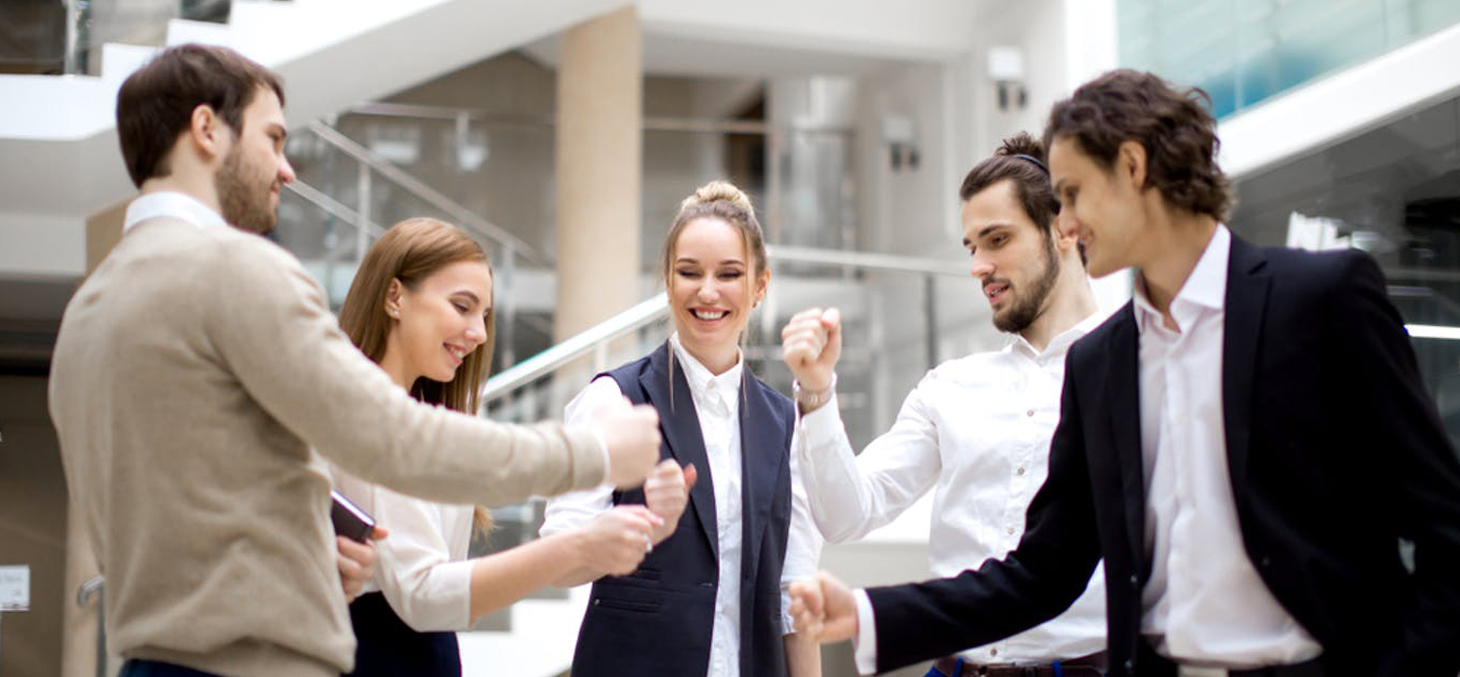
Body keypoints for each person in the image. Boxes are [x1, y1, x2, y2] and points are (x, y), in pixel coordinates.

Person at [789, 69, 1460, 677]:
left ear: (1134, 166)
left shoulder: (1321, 297)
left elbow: (1445, 524)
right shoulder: (1102, 363)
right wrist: (872, 614)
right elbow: (1042, 571)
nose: (1069, 222)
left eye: (1073, 193)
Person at [47, 44, 661, 677]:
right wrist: (593, 453)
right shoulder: (238, 269)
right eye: (274, 138)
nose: (285, 170)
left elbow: (179, 518)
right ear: (206, 130)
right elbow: (394, 438)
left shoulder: (88, 313)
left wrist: (307, 561)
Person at [779, 133, 1107, 677]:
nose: (978, 265)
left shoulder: (1132, 370)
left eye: (997, 239)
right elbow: (845, 515)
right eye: (971, 247)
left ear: (1062, 229)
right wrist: (817, 392)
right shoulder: (951, 388)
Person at [328, 217, 689, 676]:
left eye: (484, 315)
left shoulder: (419, 415)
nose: (479, 333)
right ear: (395, 297)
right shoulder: (366, 417)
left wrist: (631, 529)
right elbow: (424, 595)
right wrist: (580, 545)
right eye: (462, 306)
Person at [540, 181, 824, 677]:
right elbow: (557, 560)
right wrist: (636, 532)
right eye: (689, 272)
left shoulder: (786, 424)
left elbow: (793, 597)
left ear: (760, 287)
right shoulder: (612, 400)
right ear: (668, 282)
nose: (707, 291)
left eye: (730, 274)